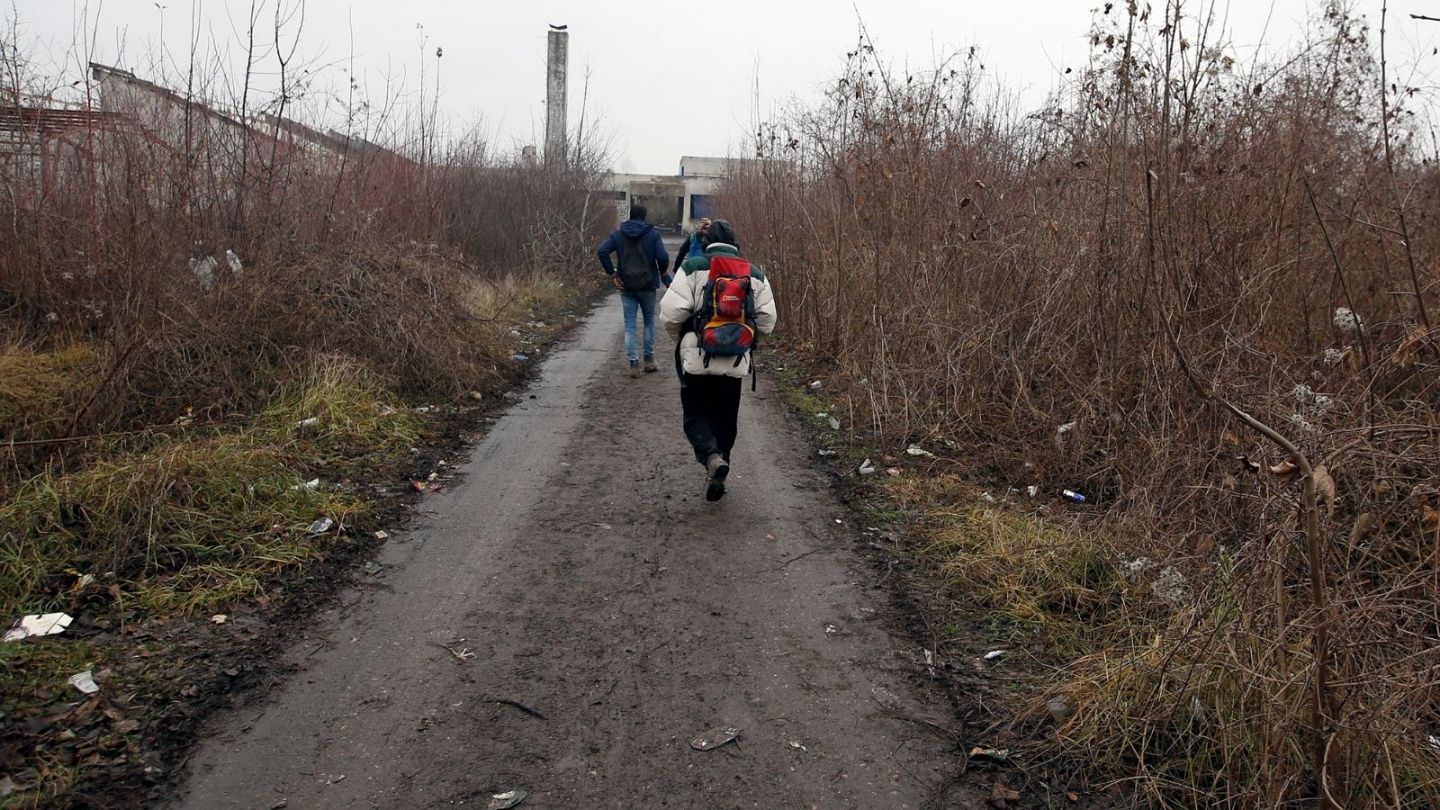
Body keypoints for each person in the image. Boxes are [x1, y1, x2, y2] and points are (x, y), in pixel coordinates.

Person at [659, 219, 777, 501]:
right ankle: (720, 466)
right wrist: (743, 335)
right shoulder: (753, 272)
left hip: (697, 356)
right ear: (735, 243)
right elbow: (768, 321)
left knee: (695, 414)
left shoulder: (693, 267)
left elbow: (671, 314)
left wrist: (684, 340)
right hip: (735, 360)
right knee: (726, 418)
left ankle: (711, 457)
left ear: (707, 241)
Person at [597, 204, 671, 377]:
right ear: (644, 217)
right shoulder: (652, 234)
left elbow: (602, 251)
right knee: (648, 322)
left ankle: (633, 364)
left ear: (630, 216)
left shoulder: (618, 234)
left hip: (627, 284)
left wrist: (613, 273)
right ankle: (649, 360)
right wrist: (664, 273)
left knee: (630, 324)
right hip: (648, 284)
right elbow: (662, 256)